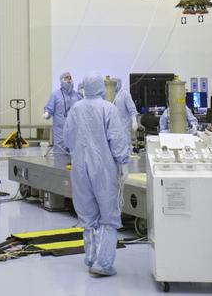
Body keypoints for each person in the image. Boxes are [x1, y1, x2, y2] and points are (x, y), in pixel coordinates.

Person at [65, 75, 130, 277]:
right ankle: (102, 263)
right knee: (108, 215)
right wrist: (123, 162)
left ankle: (91, 257)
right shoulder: (108, 108)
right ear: (101, 87)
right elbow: (117, 139)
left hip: (79, 167)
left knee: (87, 215)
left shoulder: (75, 109)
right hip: (103, 168)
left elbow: (67, 138)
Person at [44, 71, 82, 157]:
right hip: (60, 130)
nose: (69, 80)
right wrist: (47, 113)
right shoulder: (55, 95)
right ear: (61, 81)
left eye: (70, 78)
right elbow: (49, 107)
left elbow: (83, 106)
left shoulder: (76, 95)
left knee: (74, 153)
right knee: (60, 153)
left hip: (74, 130)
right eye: (66, 78)